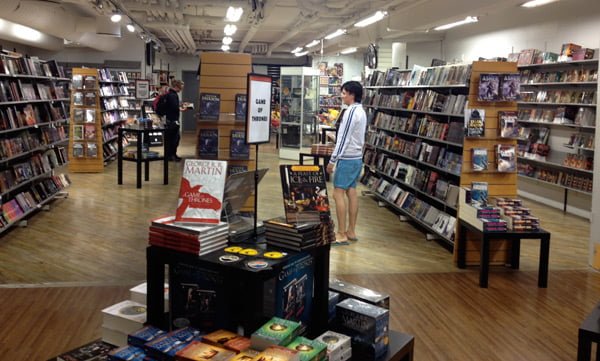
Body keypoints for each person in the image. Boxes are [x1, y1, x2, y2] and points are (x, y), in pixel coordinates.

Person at [326, 81, 366, 243]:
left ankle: (341, 233)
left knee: (338, 194)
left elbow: (344, 139)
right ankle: (351, 231)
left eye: (344, 93)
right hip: (356, 157)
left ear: (351, 94)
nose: (342, 96)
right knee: (351, 192)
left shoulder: (350, 112)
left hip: (347, 159)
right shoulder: (361, 111)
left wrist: (332, 160)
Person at [164, 79, 187, 161]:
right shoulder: (173, 95)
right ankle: (171, 156)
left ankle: (172, 155)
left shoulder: (170, 94)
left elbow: (172, 106)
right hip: (173, 121)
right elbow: (174, 108)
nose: (182, 89)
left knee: (174, 139)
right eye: (181, 87)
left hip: (170, 120)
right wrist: (182, 109)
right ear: (177, 86)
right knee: (174, 139)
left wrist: (180, 105)